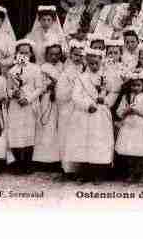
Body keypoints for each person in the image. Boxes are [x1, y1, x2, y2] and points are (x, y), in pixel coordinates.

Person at [64, 48, 114, 184]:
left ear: (101, 62)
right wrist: (87, 105)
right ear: (86, 62)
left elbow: (113, 92)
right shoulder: (81, 78)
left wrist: (106, 100)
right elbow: (75, 96)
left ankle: (98, 173)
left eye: (96, 63)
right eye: (91, 63)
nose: (94, 66)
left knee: (98, 143)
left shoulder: (107, 77)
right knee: (83, 143)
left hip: (100, 114)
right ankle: (83, 172)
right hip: (84, 115)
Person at [115, 70, 143, 184]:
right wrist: (126, 111)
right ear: (129, 85)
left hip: (142, 127)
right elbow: (119, 112)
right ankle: (131, 173)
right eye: (133, 85)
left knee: (142, 152)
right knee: (130, 152)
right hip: (129, 127)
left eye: (138, 85)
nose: (135, 88)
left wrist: (139, 112)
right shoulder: (126, 97)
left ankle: (142, 174)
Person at [6, 39, 44, 174]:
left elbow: (40, 87)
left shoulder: (36, 69)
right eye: (21, 52)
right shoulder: (12, 71)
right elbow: (8, 89)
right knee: (16, 132)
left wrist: (28, 98)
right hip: (16, 106)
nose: (23, 55)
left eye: (26, 53)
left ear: (31, 54)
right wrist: (13, 94)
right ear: (16, 54)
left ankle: (28, 163)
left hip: (29, 105)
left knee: (29, 132)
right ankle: (18, 162)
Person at [55, 40, 86, 181]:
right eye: (75, 55)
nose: (78, 58)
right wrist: (73, 88)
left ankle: (80, 168)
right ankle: (67, 168)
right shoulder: (66, 72)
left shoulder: (86, 70)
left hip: (81, 107)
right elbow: (60, 95)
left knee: (80, 137)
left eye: (81, 55)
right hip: (68, 107)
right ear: (70, 55)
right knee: (66, 136)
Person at [33, 40, 65, 170]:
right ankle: (43, 159)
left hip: (60, 99)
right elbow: (40, 85)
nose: (54, 57)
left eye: (57, 54)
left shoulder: (62, 67)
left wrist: (58, 84)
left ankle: (57, 159)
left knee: (58, 127)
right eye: (51, 54)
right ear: (46, 55)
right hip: (47, 99)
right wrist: (48, 86)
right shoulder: (43, 68)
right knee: (46, 126)